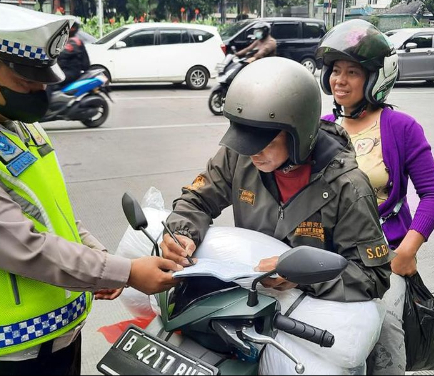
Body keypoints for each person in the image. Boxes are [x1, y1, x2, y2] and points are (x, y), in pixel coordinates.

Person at [0, 1, 180, 376]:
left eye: (41, 80)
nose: (37, 92)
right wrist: (124, 271)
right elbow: (20, 245)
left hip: (61, 340)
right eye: (25, 81)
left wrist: (99, 256)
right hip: (3, 356)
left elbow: (53, 213)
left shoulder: (19, 126)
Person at [161, 56, 392, 303]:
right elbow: (197, 199)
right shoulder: (240, 156)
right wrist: (182, 234)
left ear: (299, 137)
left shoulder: (348, 187)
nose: (252, 153)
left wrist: (304, 277)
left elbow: (373, 275)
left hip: (314, 314)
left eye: (265, 143)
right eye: (245, 140)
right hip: (250, 299)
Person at [316, 19, 434, 375]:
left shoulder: (401, 128)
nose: (340, 80)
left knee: (383, 332)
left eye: (352, 71)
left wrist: (407, 252)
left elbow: (431, 194)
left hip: (384, 257)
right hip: (329, 257)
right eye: (335, 70)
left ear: (376, 78)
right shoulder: (321, 127)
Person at [56, 21, 90, 88]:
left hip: (70, 73)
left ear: (72, 29)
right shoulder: (66, 41)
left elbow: (61, 54)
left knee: (50, 82)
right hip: (67, 72)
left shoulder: (74, 42)